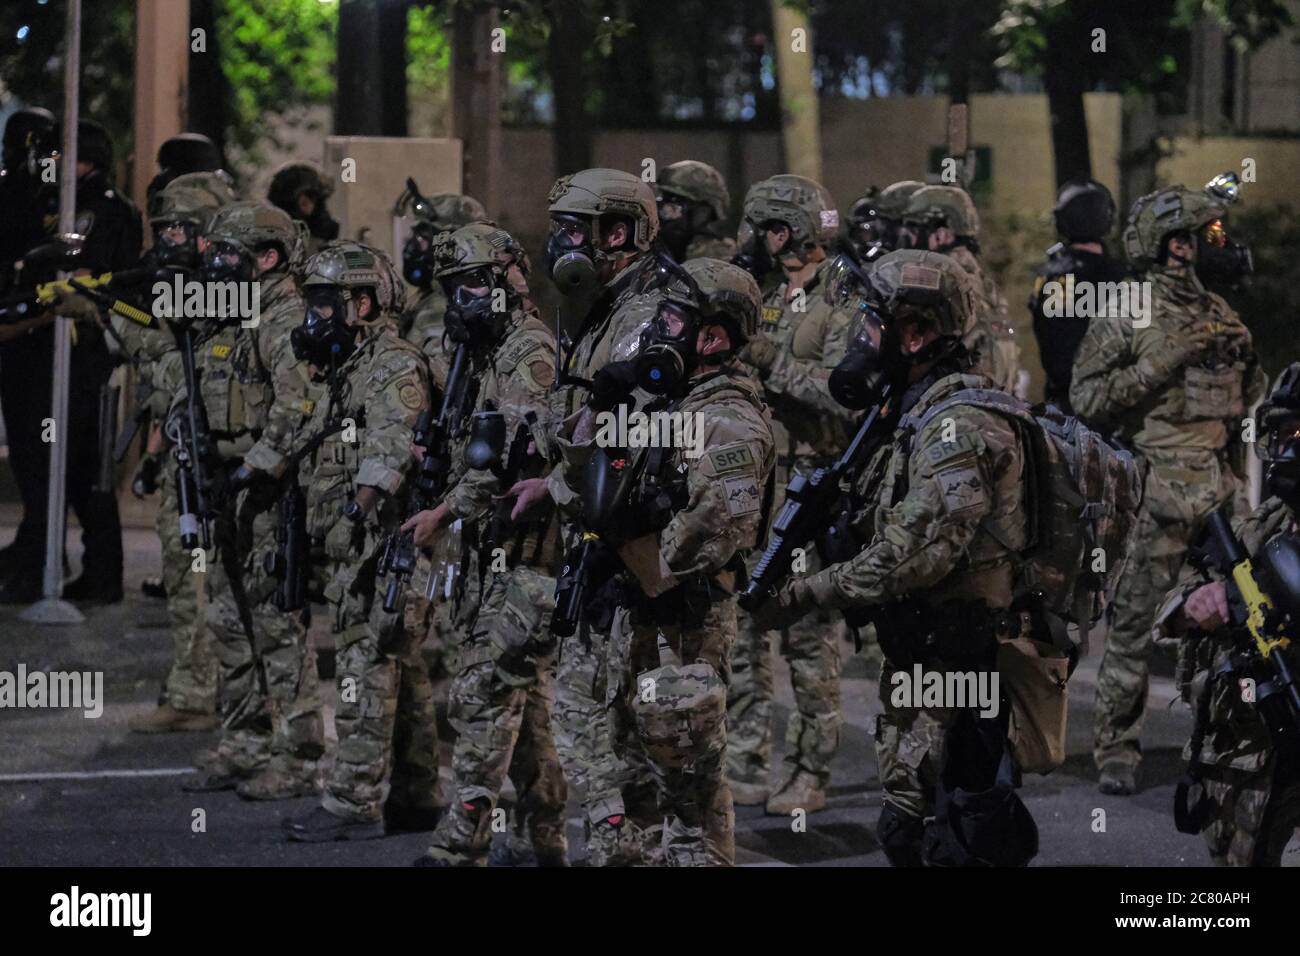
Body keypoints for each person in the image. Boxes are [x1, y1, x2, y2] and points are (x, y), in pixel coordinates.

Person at [749, 249, 1038, 866]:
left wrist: (805, 594)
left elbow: (916, 556)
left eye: (873, 325)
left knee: (941, 832)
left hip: (959, 662)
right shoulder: (905, 409)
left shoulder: (958, 424)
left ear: (917, 332)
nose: (861, 339)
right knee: (914, 825)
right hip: (921, 657)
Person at [555, 256, 775, 864]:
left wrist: (628, 534)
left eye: (672, 319)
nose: (656, 331)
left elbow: (707, 537)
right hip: (636, 619)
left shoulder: (725, 418)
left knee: (689, 795)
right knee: (636, 782)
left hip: (685, 627)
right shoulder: (665, 406)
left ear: (710, 336)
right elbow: (575, 489)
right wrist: (601, 412)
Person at [1074, 183, 1267, 795]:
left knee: (1240, 622)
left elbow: (1248, 406)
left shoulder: (1223, 313)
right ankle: (1116, 751)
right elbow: (1086, 400)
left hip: (1218, 494)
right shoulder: (1129, 307)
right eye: (1206, 234)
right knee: (1131, 627)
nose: (1220, 245)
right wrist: (1163, 360)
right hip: (1153, 492)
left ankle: (1228, 737)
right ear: (1174, 246)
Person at [502, 167, 665, 865]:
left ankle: (626, 848)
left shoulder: (647, 316)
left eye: (576, 230)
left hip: (633, 545)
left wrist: (563, 482)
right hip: (595, 534)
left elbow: (625, 445)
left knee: (605, 712)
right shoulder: (602, 309)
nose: (561, 244)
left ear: (620, 233)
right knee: (604, 714)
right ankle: (624, 846)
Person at [402, 221, 567, 866]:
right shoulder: (480, 351)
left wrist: (442, 512)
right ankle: (545, 835)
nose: (462, 298)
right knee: (522, 705)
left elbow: (504, 462)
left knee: (482, 692)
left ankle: (460, 843)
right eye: (453, 287)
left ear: (508, 280)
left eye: (473, 283)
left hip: (528, 554)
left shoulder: (528, 352)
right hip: (489, 553)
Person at [280, 240, 442, 841]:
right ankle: (419, 793)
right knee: (400, 664)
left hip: (380, 545)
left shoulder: (392, 364)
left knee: (364, 666)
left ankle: (352, 799)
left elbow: (391, 446)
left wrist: (358, 508)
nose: (315, 317)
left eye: (326, 304)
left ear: (364, 303)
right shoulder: (344, 366)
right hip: (354, 544)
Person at [177, 201, 326, 800]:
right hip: (228, 487)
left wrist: (255, 468)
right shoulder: (233, 314)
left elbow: (301, 406)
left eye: (226, 254)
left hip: (267, 491)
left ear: (266, 258)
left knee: (275, 625)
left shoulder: (285, 317)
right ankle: (247, 738)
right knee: (228, 618)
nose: (213, 264)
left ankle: (299, 754)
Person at [726, 173, 855, 815]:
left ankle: (810, 772)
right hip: (758, 483)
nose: (768, 240)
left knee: (807, 636)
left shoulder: (845, 301)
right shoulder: (770, 296)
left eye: (775, 227)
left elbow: (840, 392)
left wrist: (764, 358)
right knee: (742, 627)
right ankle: (744, 759)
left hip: (811, 487)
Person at [1154, 363, 1300, 865]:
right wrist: (1199, 604)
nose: (1289, 447)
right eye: (1286, 433)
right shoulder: (1263, 525)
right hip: (1253, 758)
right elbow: (1171, 610)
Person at [0, 118, 140, 604]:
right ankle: (92, 572)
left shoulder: (94, 207)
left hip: (68, 353)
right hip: (63, 352)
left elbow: (84, 279)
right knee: (80, 472)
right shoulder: (65, 201)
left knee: (57, 465)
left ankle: (47, 567)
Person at [122, 171, 237, 733]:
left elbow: (181, 373)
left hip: (221, 461)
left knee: (203, 574)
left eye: (179, 229)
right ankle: (197, 684)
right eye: (162, 228)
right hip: (189, 453)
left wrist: (124, 320)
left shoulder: (232, 295)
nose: (167, 239)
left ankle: (200, 694)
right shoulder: (185, 289)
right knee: (186, 571)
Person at [901, 184, 1023, 397]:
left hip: (959, 407)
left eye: (914, 230)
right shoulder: (982, 281)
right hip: (993, 406)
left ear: (941, 235)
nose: (908, 239)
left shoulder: (943, 282)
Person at [1029, 179, 1126, 413]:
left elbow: (1054, 347)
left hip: (1065, 411)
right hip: (1119, 409)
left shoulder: (1053, 279)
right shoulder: (1126, 277)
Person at [655, 160, 736, 262]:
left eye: (678, 204)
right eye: (665, 199)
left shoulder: (718, 256)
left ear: (705, 212)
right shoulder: (652, 245)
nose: (665, 210)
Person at [267, 161, 338, 254]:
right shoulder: (271, 231)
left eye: (312, 196)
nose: (307, 201)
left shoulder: (323, 232)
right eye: (306, 195)